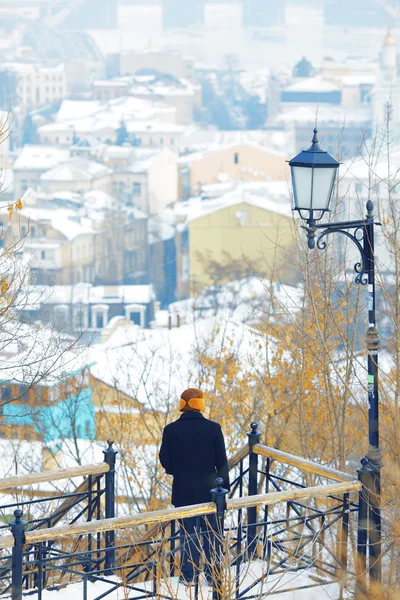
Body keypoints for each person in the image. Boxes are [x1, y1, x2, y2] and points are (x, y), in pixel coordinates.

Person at [159, 388, 230, 586]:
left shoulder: (171, 430)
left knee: (188, 535)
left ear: (183, 404)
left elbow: (165, 459)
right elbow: (222, 462)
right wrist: (224, 490)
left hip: (183, 490)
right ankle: (213, 576)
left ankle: (189, 576)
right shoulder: (213, 428)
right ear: (200, 405)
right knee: (211, 535)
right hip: (211, 491)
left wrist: (178, 471)